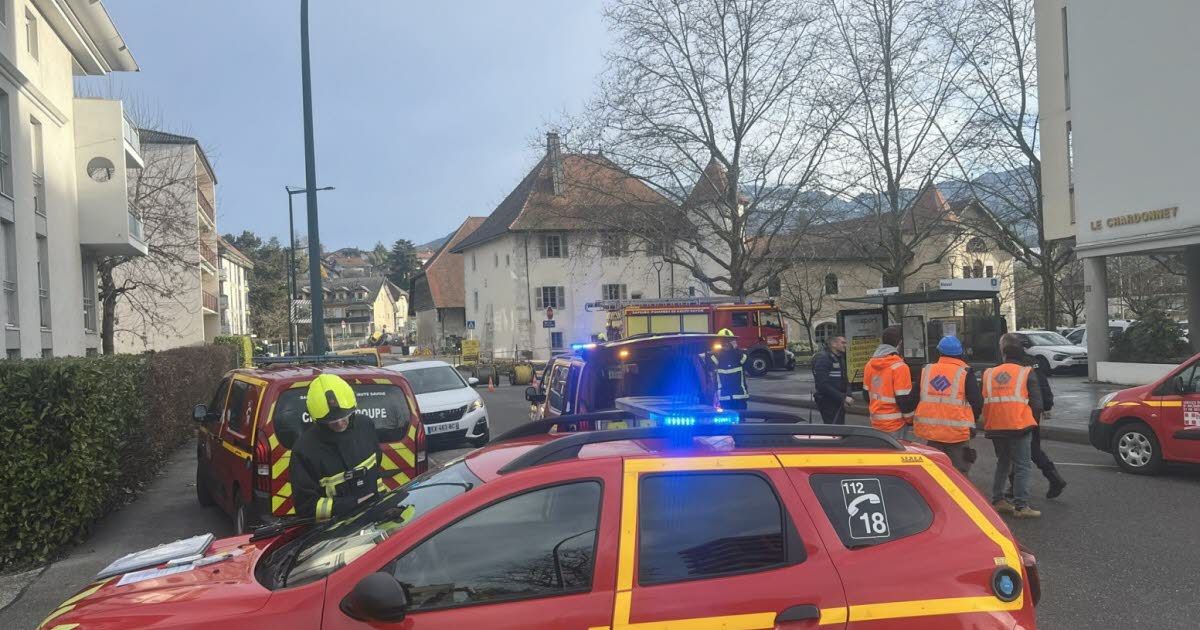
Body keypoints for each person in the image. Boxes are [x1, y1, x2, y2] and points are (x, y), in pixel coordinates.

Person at [290, 373, 382, 522]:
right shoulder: (304, 450)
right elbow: (305, 507)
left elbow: (376, 470)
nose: (339, 423)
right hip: (334, 533)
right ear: (316, 419)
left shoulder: (365, 426)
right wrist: (349, 505)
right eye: (332, 421)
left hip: (374, 519)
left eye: (343, 417)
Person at [982, 341, 1044, 519]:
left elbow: (984, 397)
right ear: (1022, 357)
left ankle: (998, 500)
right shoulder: (1026, 372)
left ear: (1004, 356)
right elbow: (1037, 403)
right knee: (1022, 465)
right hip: (1019, 426)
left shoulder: (989, 373)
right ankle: (1021, 506)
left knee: (1003, 462)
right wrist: (1033, 422)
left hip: (995, 425)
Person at [913, 336, 983, 473]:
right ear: (960, 353)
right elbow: (977, 402)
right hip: (957, 433)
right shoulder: (965, 372)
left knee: (935, 473)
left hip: (931, 432)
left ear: (939, 352)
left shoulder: (926, 370)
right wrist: (971, 421)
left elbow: (913, 397)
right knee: (959, 474)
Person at [1011, 333, 1067, 498]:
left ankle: (1015, 487)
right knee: (1033, 448)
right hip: (1032, 412)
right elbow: (1043, 384)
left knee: (1014, 450)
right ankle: (1053, 478)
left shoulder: (1013, 364)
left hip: (1018, 412)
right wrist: (1047, 405)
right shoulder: (1033, 361)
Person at [863, 326, 918, 439]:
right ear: (900, 343)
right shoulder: (900, 367)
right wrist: (910, 420)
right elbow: (904, 400)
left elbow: (866, 394)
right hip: (895, 424)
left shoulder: (869, 364)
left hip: (876, 421)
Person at [812, 335, 853, 424]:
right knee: (833, 430)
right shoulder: (823, 359)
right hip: (827, 402)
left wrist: (848, 395)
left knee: (839, 429)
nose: (845, 345)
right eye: (843, 343)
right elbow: (822, 385)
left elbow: (845, 380)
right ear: (834, 344)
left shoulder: (839, 358)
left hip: (838, 401)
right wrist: (843, 397)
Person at [707, 328, 749, 410]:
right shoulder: (715, 356)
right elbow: (709, 366)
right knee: (726, 421)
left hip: (739, 396)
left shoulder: (739, 354)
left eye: (728, 341)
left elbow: (747, 363)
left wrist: (735, 349)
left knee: (741, 421)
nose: (726, 344)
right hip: (724, 397)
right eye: (723, 341)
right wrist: (715, 350)